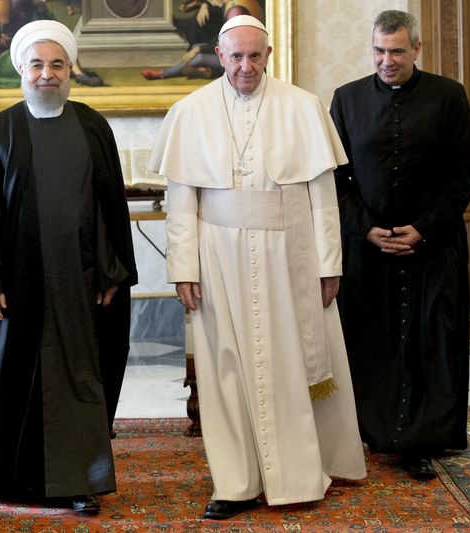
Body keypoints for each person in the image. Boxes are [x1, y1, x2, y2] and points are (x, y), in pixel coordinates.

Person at [148, 15, 366, 521]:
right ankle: (236, 481)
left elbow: (323, 198)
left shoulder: (302, 106)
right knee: (224, 370)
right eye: (236, 57)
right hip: (215, 255)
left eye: (255, 56)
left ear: (269, 56)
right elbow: (182, 199)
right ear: (219, 57)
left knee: (291, 367)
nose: (246, 66)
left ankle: (298, 475)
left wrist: (329, 263)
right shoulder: (189, 111)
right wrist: (183, 266)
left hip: (288, 255)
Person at [0, 20, 137, 514]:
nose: (47, 75)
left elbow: (111, 206)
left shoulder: (93, 127)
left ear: (71, 70)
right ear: (21, 70)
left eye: (57, 65)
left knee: (78, 381)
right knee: (10, 379)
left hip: (79, 282)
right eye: (38, 65)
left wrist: (111, 273)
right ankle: (10, 479)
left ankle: (80, 481)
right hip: (15, 287)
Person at [329, 9, 470, 481]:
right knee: (372, 338)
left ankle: (421, 439)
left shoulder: (449, 97)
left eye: (396, 51)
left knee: (429, 339)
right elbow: (335, 177)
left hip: (431, 246)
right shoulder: (347, 100)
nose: (386, 60)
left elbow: (459, 179)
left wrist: (424, 229)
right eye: (378, 50)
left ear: (416, 49)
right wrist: (364, 227)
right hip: (367, 247)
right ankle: (375, 432)